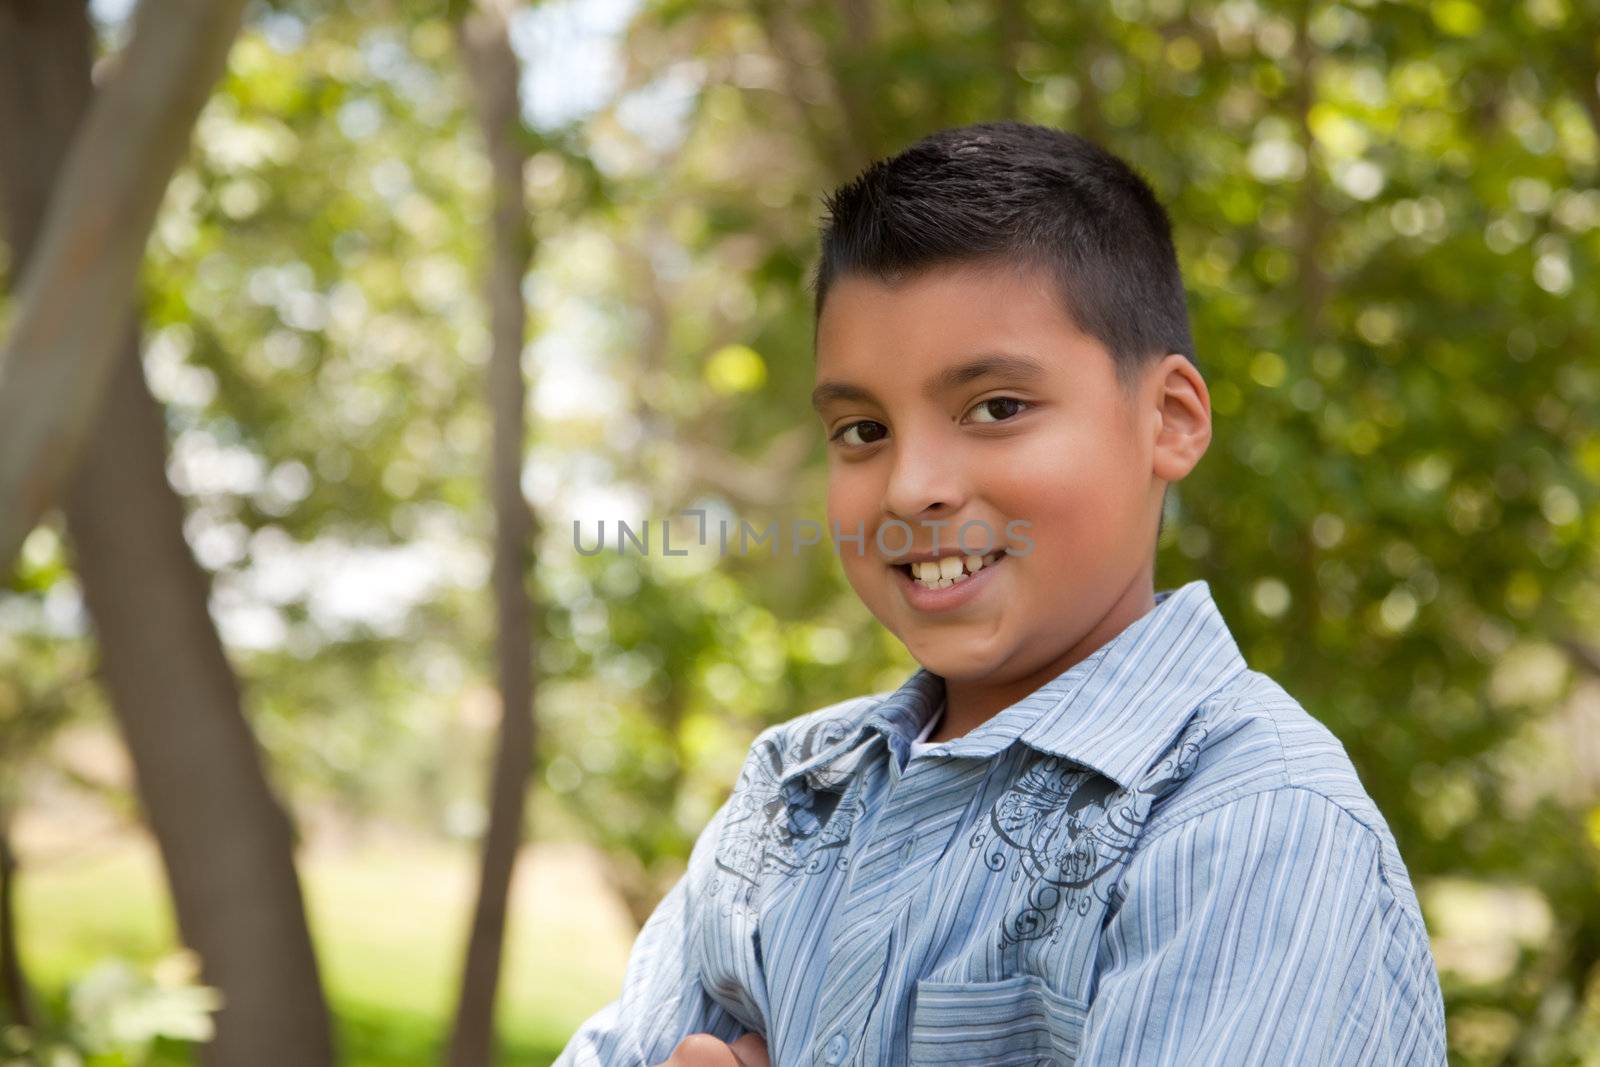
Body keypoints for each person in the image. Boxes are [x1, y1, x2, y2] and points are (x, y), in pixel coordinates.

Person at [554, 121, 1448, 1066]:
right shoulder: (792, 794)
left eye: (997, 409)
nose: (910, 487)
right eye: (862, 429)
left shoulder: (1250, 826)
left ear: (1170, 420)